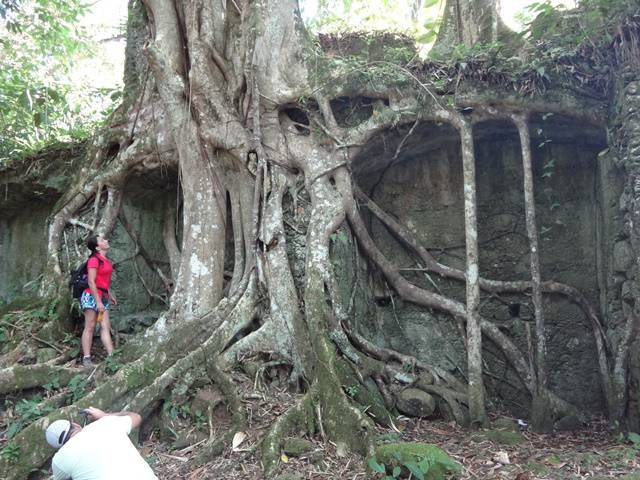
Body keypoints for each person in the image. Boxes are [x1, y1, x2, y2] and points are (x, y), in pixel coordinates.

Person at [45, 407, 157, 480]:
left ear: (61, 446)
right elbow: (136, 417)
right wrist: (105, 415)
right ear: (75, 425)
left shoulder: (60, 459)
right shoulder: (106, 423)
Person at [80, 235, 115, 368]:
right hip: (90, 296)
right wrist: (98, 302)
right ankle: (87, 359)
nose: (106, 240)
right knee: (90, 326)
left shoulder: (105, 260)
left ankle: (112, 356)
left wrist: (109, 294)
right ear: (97, 247)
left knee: (106, 325)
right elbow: (91, 281)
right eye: (102, 240)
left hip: (103, 296)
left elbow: (103, 281)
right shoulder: (94, 260)